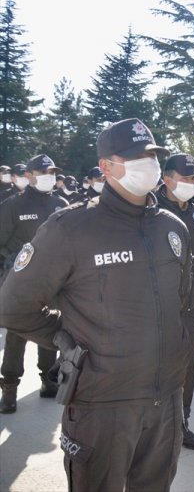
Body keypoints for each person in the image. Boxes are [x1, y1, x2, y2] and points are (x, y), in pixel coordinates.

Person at [0, 118, 191, 490]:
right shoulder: (71, 228)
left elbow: (182, 302)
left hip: (165, 399)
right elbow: (12, 306)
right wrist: (65, 340)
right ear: (106, 167)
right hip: (102, 404)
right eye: (136, 158)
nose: (148, 165)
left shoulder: (171, 226)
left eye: (152, 156)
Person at [0, 154, 68, 412]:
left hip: (53, 281)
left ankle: (47, 380)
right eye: (43, 172)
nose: (49, 177)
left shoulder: (60, 203)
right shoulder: (12, 206)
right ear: (29, 176)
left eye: (51, 172)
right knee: (18, 336)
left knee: (50, 331)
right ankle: (9, 387)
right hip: (21, 283)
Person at [157, 153, 194, 450]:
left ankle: (182, 425)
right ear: (167, 179)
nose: (193, 183)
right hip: (157, 313)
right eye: (186, 178)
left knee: (186, 373)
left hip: (190, 309)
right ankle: (152, 432)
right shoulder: (150, 212)